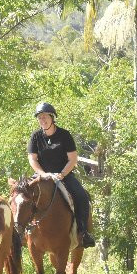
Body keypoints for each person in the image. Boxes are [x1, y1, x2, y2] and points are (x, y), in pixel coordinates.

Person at [27, 102, 96, 248]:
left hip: (63, 175)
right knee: (21, 194)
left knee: (82, 196)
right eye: (40, 118)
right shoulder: (35, 136)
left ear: (52, 118)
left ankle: (83, 232)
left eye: (45, 117)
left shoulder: (64, 135)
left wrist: (62, 174)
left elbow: (73, 159)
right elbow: (32, 159)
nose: (42, 120)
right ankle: (20, 231)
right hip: (42, 175)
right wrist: (42, 174)